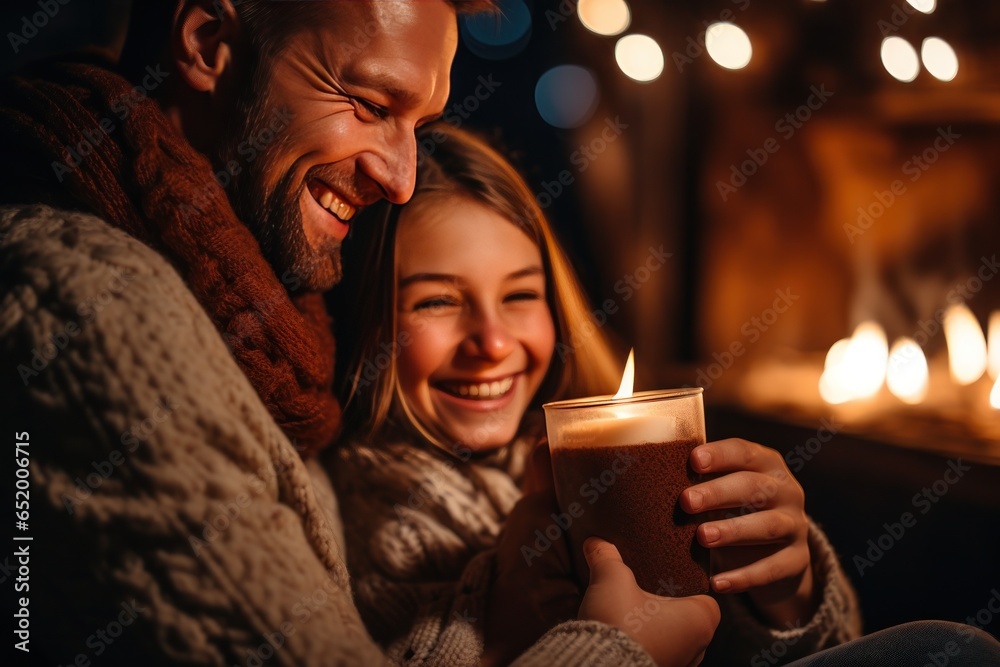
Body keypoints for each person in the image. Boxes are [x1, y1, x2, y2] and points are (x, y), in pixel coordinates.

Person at [0, 1, 715, 664]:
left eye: (421, 128)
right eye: (371, 104)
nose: (402, 179)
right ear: (208, 44)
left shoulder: (260, 332)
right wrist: (617, 648)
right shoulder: (88, 300)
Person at [327, 123, 865, 666]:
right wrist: (512, 628)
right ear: (365, 316)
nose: (492, 341)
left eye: (520, 294)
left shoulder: (600, 473)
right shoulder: (333, 535)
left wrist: (784, 594)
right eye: (436, 302)